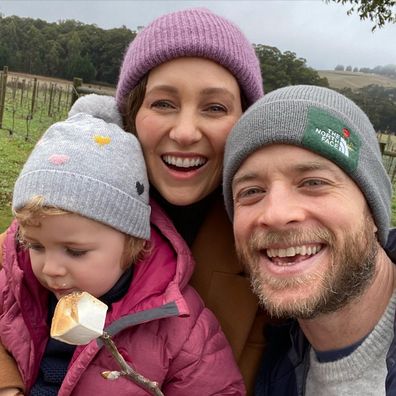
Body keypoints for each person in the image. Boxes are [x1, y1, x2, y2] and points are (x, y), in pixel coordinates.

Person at [0, 7, 267, 394]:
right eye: (163, 103)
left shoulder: (267, 247)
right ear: (132, 113)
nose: (186, 132)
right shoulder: (60, 208)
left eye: (215, 107)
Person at [0, 110, 245, 395]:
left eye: (75, 251)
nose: (50, 268)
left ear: (133, 245)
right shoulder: (15, 286)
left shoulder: (178, 328)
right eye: (36, 246)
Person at [222, 84, 396, 395]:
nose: (275, 214)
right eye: (251, 191)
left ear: (373, 210)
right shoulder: (268, 360)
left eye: (313, 182)